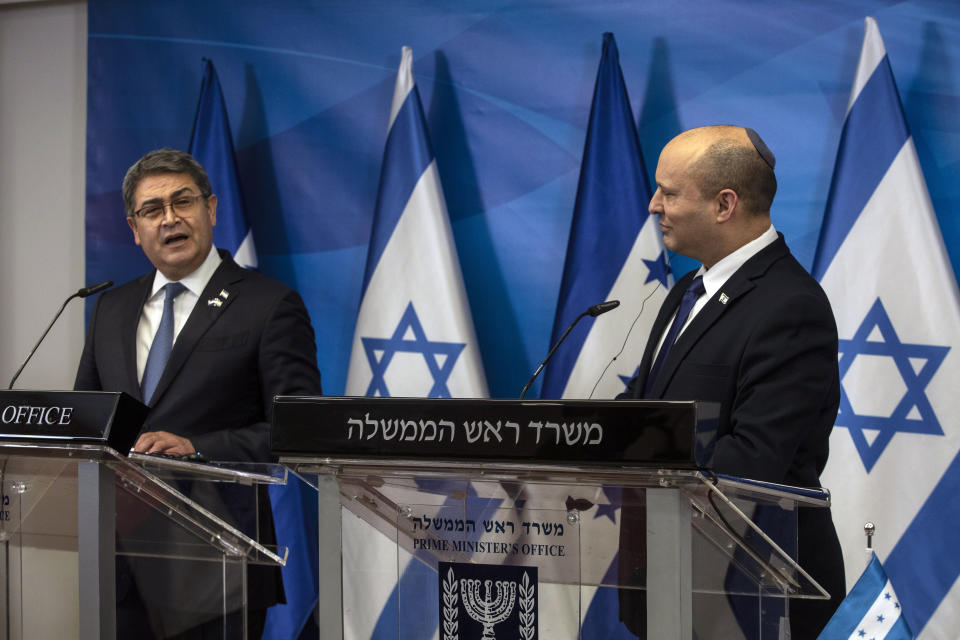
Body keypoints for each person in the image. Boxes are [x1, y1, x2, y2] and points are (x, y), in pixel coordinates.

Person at [75, 148, 323, 638]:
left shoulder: (268, 305)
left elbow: (300, 431)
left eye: (182, 201)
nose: (170, 218)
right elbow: (90, 421)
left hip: (219, 565)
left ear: (210, 209)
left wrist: (197, 448)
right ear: (134, 228)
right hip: (122, 559)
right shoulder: (111, 308)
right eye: (152, 209)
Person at [618, 126, 844, 639]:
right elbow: (645, 410)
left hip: (751, 595)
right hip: (676, 579)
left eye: (669, 192)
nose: (655, 205)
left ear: (725, 204)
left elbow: (756, 457)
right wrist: (570, 440)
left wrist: (647, 479)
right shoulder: (687, 290)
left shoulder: (791, 305)